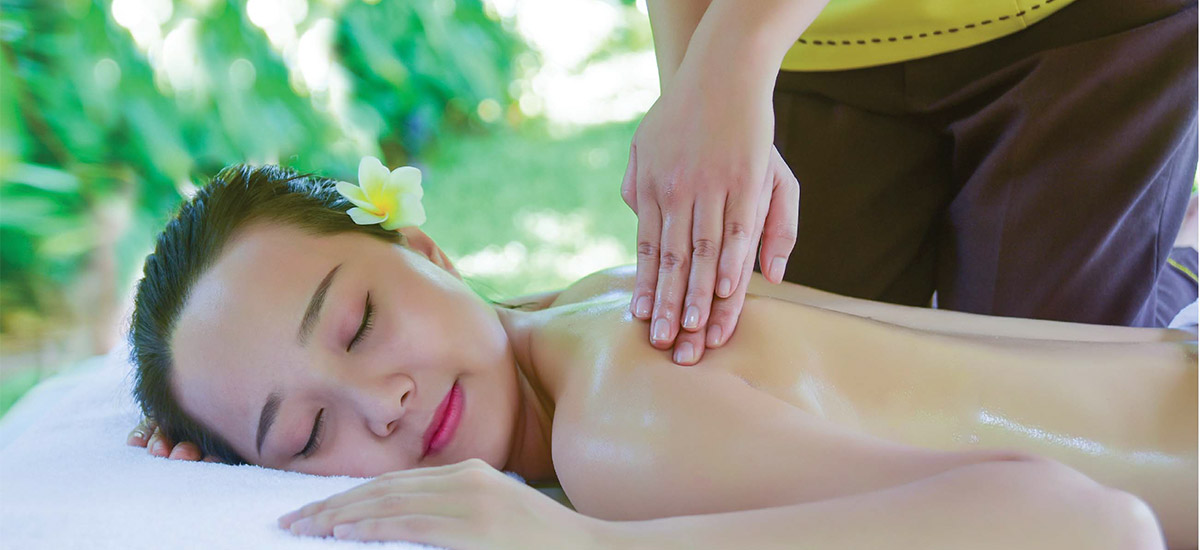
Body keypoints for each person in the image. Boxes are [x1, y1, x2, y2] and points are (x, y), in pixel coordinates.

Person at [125, 165, 1196, 549]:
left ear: (425, 250)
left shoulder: (619, 438)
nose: (384, 401)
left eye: (359, 324)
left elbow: (1093, 530)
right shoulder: (580, 310)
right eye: (306, 431)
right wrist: (195, 429)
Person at [625, 0, 1198, 365]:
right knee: (782, 366)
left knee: (1033, 389)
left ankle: (1182, 261)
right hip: (816, 44)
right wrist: (698, 97)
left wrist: (729, 66)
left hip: (1080, 22)